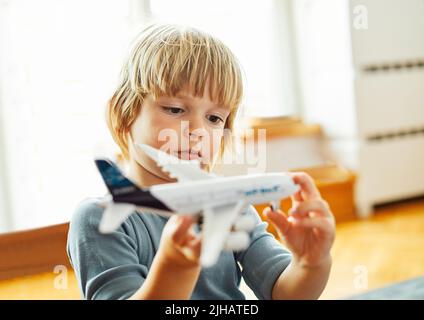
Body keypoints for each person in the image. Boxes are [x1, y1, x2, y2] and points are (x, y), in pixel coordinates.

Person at [67, 23, 335, 300]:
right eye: (175, 109)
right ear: (122, 114)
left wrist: (310, 263)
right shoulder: (98, 218)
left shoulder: (231, 204)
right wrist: (175, 266)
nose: (198, 130)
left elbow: (286, 294)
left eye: (214, 118)